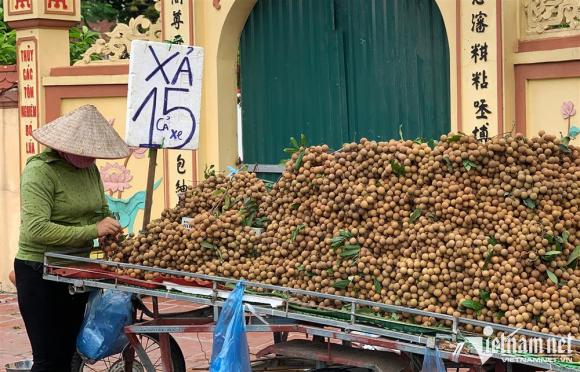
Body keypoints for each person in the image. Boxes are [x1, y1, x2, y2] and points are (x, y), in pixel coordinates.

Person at [14, 104, 130, 372]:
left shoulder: (90, 170)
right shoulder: (41, 170)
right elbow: (36, 229)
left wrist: (109, 225)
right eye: (83, 151)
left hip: (75, 269)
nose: (90, 157)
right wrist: (93, 230)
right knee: (49, 359)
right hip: (39, 270)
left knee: (68, 354)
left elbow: (100, 210)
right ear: (63, 146)